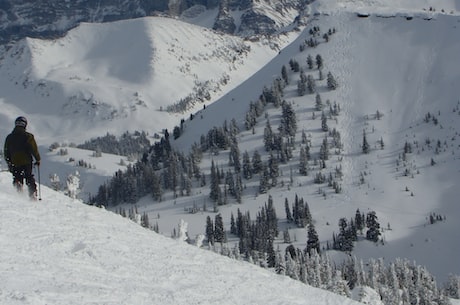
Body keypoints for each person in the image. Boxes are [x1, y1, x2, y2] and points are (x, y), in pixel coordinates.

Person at [4, 116, 41, 199]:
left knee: (17, 176)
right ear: (25, 125)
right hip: (26, 161)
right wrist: (38, 159)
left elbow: (6, 151)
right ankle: (32, 194)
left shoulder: (9, 137)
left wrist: (9, 162)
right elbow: (33, 149)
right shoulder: (28, 136)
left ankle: (18, 191)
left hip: (15, 161)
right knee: (29, 177)